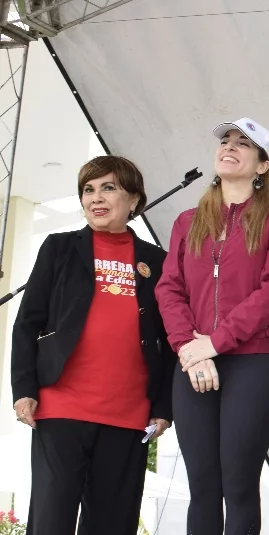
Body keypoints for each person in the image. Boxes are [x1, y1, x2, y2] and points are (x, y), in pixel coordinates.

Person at [155, 117, 269, 534]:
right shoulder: (188, 221)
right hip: (193, 362)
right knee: (202, 486)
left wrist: (216, 343)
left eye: (244, 143)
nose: (231, 146)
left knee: (238, 484)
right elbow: (169, 289)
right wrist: (189, 347)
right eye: (226, 140)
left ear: (262, 165)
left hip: (254, 363)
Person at [10, 156, 174, 534]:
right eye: (88, 189)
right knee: (51, 523)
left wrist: (163, 407)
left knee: (112, 526)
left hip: (129, 414)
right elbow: (27, 323)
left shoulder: (157, 261)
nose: (96, 198)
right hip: (61, 406)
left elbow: (169, 342)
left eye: (109, 187)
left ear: (134, 199)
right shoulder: (59, 248)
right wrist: (24, 390)